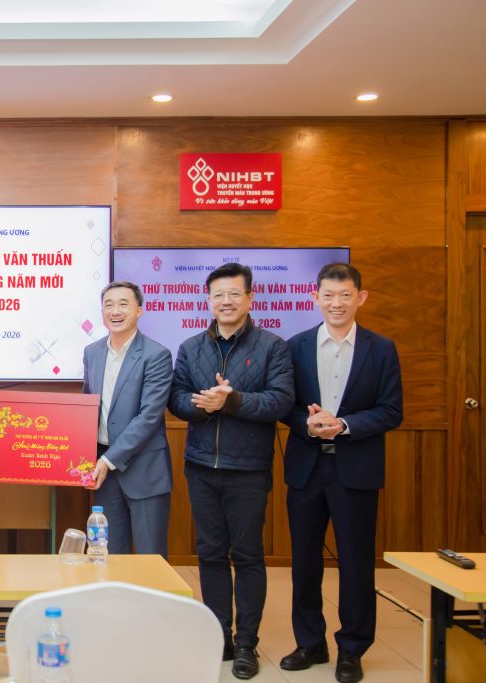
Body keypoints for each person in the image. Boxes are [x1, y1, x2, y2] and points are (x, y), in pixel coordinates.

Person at [167, 262, 294, 680]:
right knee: (209, 554)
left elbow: (280, 401)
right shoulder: (191, 347)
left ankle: (247, 645)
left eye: (234, 294)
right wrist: (202, 405)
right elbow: (176, 398)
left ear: (250, 298)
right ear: (208, 300)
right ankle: (219, 636)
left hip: (248, 470)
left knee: (248, 556)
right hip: (201, 466)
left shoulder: (272, 346)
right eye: (218, 295)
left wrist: (232, 400)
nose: (226, 301)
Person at [279, 263, 402, 683]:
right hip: (307, 468)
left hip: (356, 469)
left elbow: (391, 411)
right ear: (315, 297)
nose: (336, 303)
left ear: (360, 298)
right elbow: (284, 405)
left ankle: (352, 648)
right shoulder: (295, 346)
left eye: (345, 295)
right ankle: (310, 643)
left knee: (356, 562)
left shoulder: (381, 349)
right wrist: (307, 423)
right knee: (304, 562)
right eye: (328, 295)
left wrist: (345, 424)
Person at [81, 281, 174, 557]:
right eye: (108, 305)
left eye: (123, 304)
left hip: (144, 471)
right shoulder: (92, 353)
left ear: (139, 310)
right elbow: (87, 407)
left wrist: (107, 461)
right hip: (103, 473)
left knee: (150, 558)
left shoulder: (156, 355)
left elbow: (149, 417)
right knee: (108, 555)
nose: (115, 311)